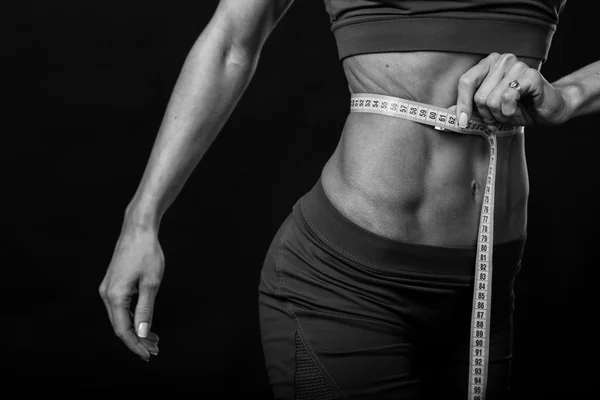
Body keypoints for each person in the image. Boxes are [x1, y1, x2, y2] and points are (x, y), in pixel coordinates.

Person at [99, 0, 600, 398]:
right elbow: (231, 41)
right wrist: (141, 219)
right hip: (344, 284)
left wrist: (570, 95)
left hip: (487, 287)